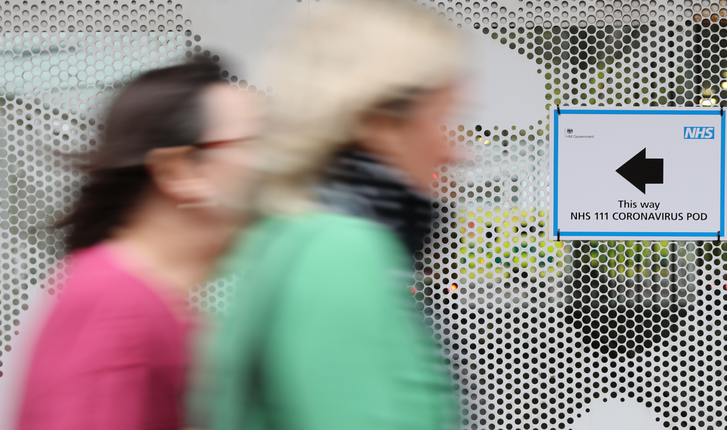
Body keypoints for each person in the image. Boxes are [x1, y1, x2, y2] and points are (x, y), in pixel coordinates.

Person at [209, 1, 464, 429]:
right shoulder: (343, 252)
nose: (455, 151)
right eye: (444, 119)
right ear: (378, 121)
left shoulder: (280, 235)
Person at [16, 57, 262, 430]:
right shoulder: (115, 305)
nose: (273, 164)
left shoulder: (156, 304)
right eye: (254, 143)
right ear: (178, 170)